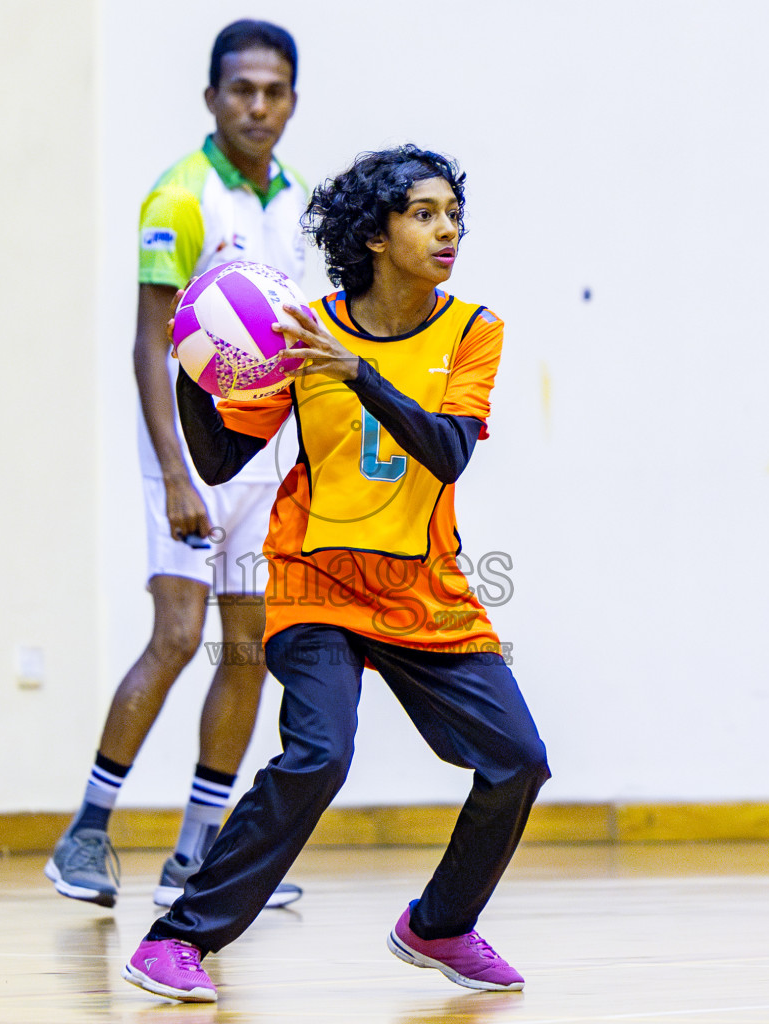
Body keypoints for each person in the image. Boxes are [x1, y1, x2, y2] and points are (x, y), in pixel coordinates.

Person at [119, 145, 551, 1004]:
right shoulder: (301, 326)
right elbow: (219, 456)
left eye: (452, 214)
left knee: (519, 761)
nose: (447, 229)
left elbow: (448, 451)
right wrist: (197, 367)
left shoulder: (473, 329)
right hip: (316, 582)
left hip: (424, 589)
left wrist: (357, 374)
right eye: (424, 214)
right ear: (377, 236)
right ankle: (176, 940)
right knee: (320, 755)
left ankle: (439, 924)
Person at [45, 19, 306, 912]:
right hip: (189, 465)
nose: (258, 106)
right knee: (177, 636)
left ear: (292, 102)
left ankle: (195, 856)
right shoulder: (180, 198)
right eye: (242, 89)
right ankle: (85, 833)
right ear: (212, 97)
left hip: (263, 466)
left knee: (248, 651)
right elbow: (151, 346)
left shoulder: (296, 204)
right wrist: (176, 474)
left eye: (274, 91)